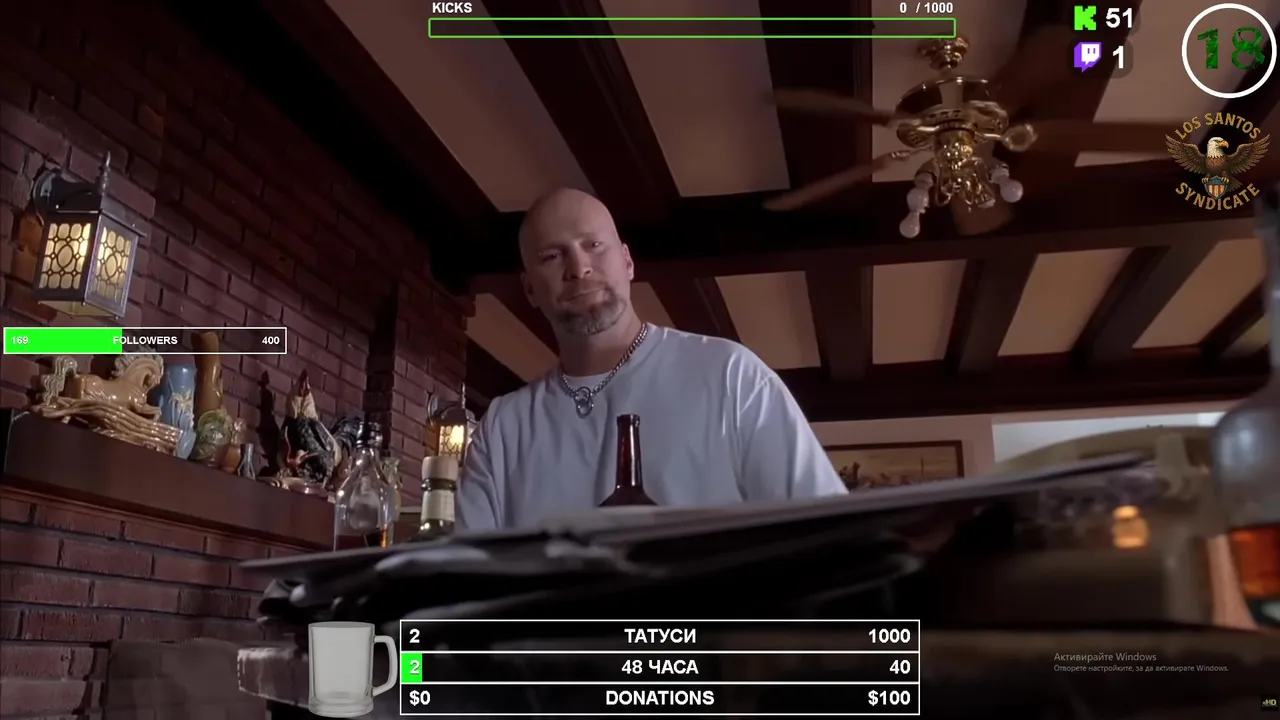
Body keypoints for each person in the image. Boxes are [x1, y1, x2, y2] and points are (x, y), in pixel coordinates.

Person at [456, 188, 847, 531]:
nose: (579, 268)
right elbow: (465, 579)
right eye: (552, 256)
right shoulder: (502, 428)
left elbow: (830, 537)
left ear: (627, 261)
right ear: (529, 289)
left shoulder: (730, 376)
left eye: (593, 245)